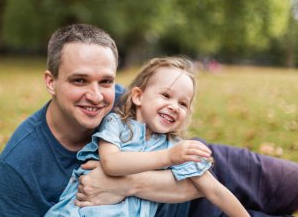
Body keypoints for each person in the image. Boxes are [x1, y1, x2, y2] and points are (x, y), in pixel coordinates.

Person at [0, 23, 298, 217]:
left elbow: (200, 180)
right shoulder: (20, 165)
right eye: (79, 81)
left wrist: (126, 184)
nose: (96, 95)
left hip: (213, 166)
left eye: (105, 81)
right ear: (51, 82)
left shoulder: (123, 102)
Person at [45, 56, 250, 217]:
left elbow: (216, 191)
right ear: (138, 96)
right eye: (166, 95)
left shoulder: (176, 147)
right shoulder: (118, 124)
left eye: (183, 103)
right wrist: (168, 158)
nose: (173, 106)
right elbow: (111, 163)